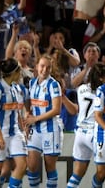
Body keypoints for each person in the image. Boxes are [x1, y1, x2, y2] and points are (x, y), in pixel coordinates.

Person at [0, 58, 27, 188]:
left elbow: (17, 111)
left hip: (14, 132)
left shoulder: (15, 88)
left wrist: (23, 129)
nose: (21, 75)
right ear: (15, 72)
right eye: (19, 71)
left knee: (22, 164)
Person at [66, 63, 105, 187]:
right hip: (94, 133)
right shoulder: (104, 92)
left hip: (80, 133)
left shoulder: (81, 89)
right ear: (101, 77)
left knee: (77, 173)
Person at [24, 54, 63, 188]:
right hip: (35, 130)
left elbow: (57, 109)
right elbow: (29, 102)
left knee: (50, 167)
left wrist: (35, 119)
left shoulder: (54, 85)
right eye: (42, 66)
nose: (44, 70)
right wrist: (28, 114)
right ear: (36, 67)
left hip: (50, 130)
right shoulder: (32, 82)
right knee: (32, 166)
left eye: (48, 67)